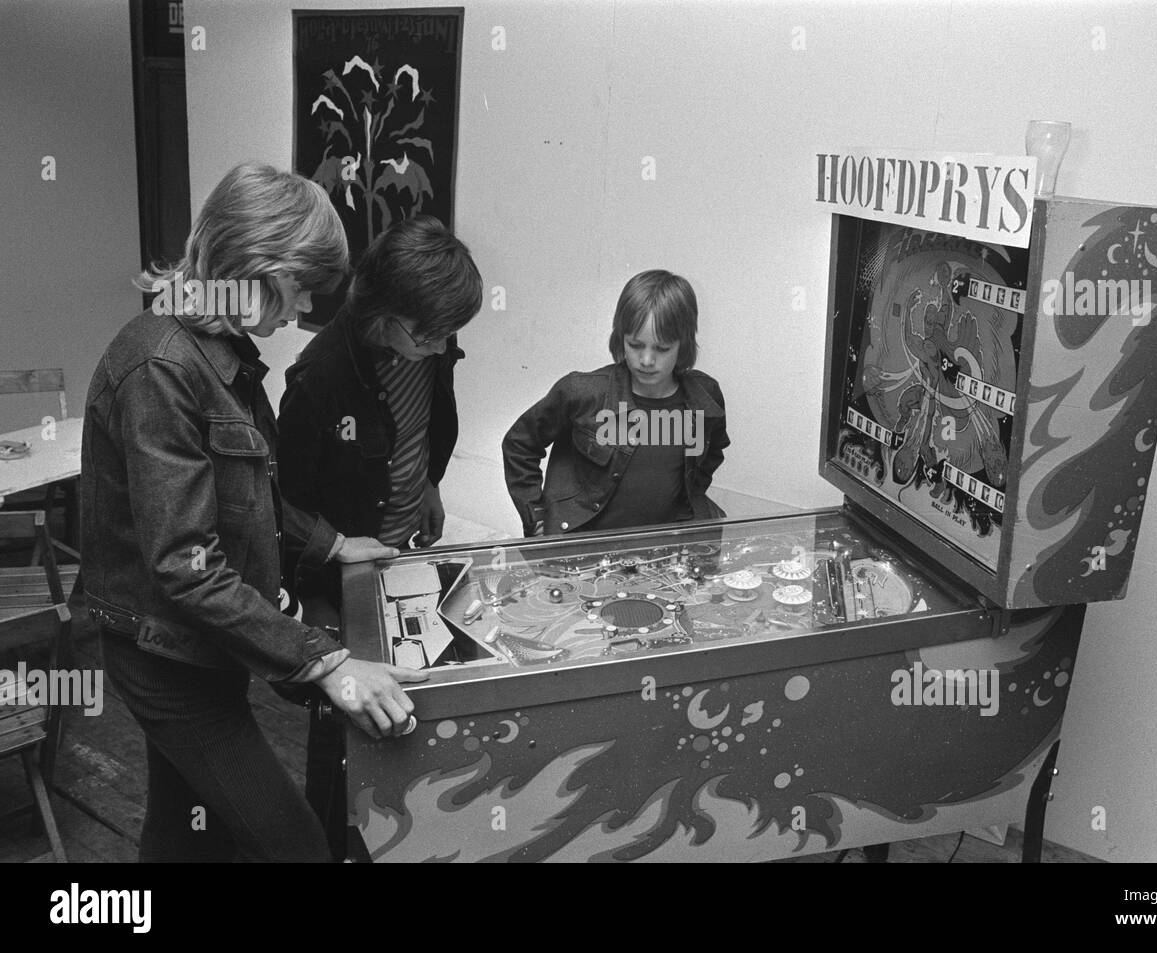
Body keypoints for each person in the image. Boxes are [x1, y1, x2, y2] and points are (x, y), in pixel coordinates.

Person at [81, 161, 427, 863]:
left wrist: (334, 546)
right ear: (256, 264)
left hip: (199, 652)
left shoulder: (221, 355)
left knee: (182, 838)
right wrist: (328, 662)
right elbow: (187, 566)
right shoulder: (160, 367)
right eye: (298, 287)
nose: (299, 311)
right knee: (294, 845)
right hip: (166, 662)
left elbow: (253, 503)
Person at [276, 214, 483, 859]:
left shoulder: (432, 343)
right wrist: (337, 550)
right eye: (432, 335)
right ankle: (335, 840)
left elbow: (434, 420)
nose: (444, 344)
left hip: (402, 549)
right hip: (342, 574)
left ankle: (407, 832)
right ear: (388, 317)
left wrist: (430, 483)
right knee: (342, 724)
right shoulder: (317, 382)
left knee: (405, 704)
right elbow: (280, 505)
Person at [502, 269, 729, 537]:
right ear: (620, 337)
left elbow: (713, 452)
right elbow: (519, 444)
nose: (646, 360)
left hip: (661, 550)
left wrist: (689, 502)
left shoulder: (705, 395)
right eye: (635, 345)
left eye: (662, 348)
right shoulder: (581, 392)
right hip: (584, 550)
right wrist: (536, 517)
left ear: (684, 344)